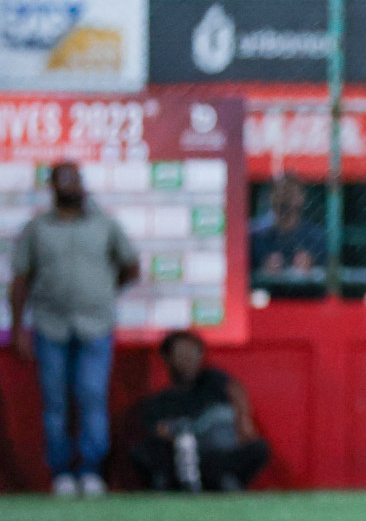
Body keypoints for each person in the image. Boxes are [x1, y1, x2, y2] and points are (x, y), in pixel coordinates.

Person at [9, 160, 140, 497]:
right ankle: (62, 473)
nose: (69, 185)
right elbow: (21, 280)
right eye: (61, 180)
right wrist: (19, 327)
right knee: (54, 403)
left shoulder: (105, 225)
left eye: (74, 178)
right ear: (52, 186)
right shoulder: (37, 228)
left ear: (82, 183)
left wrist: (104, 292)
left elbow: (130, 266)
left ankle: (91, 471)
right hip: (49, 326)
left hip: (96, 325)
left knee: (92, 397)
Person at [130, 330, 268, 492]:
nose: (187, 359)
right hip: (179, 456)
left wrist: (244, 421)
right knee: (143, 454)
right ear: (167, 358)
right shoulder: (158, 401)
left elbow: (235, 391)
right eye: (181, 353)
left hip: (215, 453)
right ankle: (174, 482)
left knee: (256, 448)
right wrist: (182, 438)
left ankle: (222, 479)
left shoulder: (214, 382)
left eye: (192, 352)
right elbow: (158, 430)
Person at [249, 176, 326, 280]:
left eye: (290, 192)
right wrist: (263, 272)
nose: (285, 199)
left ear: (302, 197)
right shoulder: (253, 236)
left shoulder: (316, 237)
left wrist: (311, 269)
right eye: (280, 192)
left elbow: (329, 277)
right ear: (270, 196)